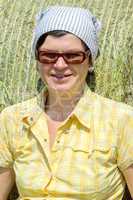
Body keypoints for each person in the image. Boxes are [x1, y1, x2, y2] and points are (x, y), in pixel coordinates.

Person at [0, 5, 133, 200]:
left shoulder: (122, 120)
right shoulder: (12, 119)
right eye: (48, 55)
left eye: (72, 56)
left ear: (90, 60)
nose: (60, 65)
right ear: (37, 59)